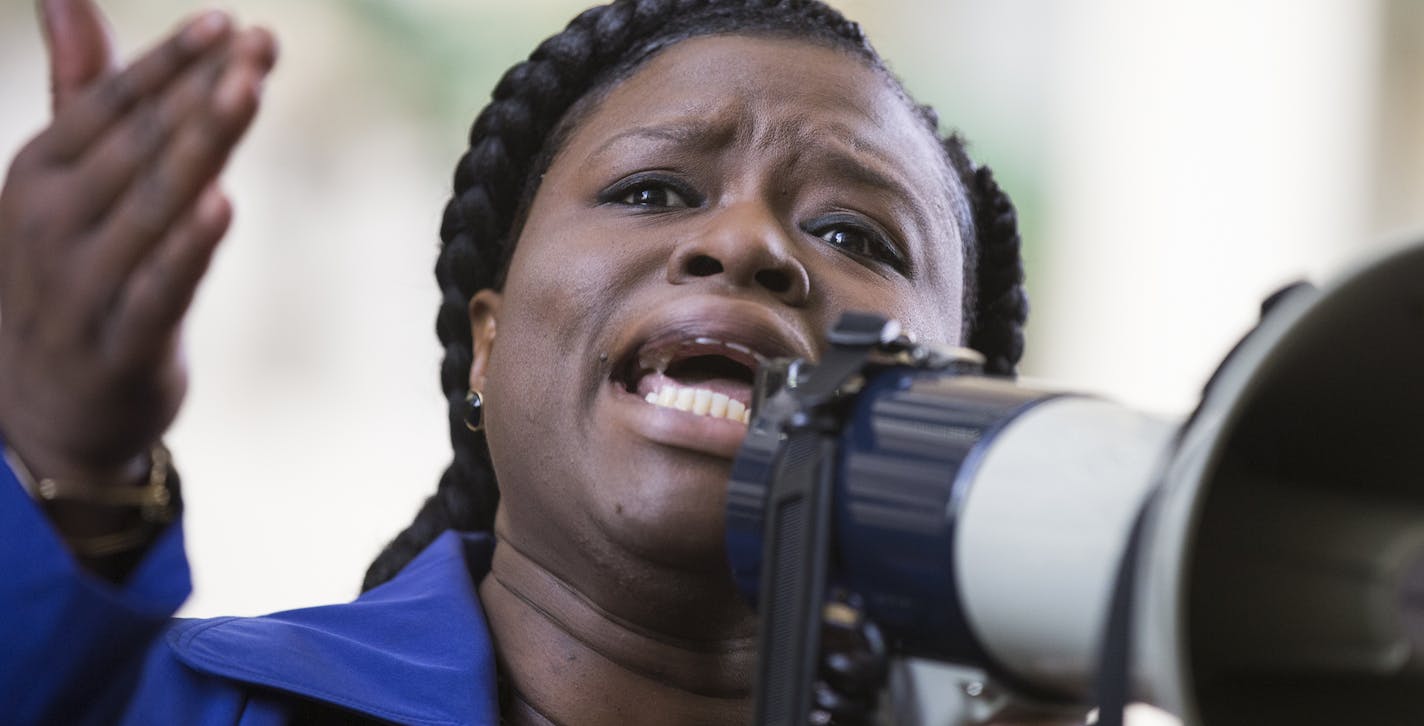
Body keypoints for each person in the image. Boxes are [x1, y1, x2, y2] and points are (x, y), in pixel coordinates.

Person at [0, 0, 1029, 723]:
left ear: (957, 402)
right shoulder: (170, 706)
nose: (749, 243)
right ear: (484, 344)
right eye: (653, 191)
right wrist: (66, 453)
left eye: (854, 237)